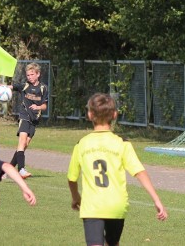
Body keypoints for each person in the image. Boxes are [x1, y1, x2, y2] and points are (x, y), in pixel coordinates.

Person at [67, 93, 167, 246]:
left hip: (93, 206)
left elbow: (72, 178)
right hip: (117, 205)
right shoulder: (122, 144)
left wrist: (76, 197)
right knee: (112, 243)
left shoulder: (81, 145)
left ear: (89, 114)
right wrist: (157, 200)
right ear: (114, 115)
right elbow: (140, 172)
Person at [0, 62, 48, 179]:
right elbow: (9, 87)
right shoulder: (24, 86)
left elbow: (45, 106)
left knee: (24, 145)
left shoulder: (43, 88)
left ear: (38, 74)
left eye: (32, 74)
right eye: (28, 75)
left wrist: (38, 107)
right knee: (22, 142)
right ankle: (21, 169)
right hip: (24, 116)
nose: (30, 77)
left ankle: (7, 170)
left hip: (34, 119)